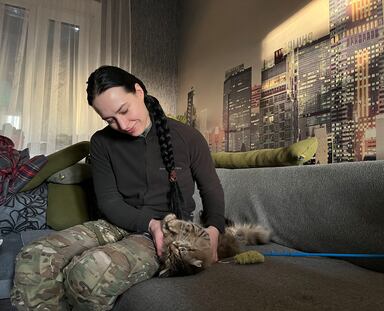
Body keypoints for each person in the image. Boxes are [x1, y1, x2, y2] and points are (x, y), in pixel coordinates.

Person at [11, 65, 225, 311]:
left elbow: (211, 190)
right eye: (110, 119)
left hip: (168, 232)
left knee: (89, 273)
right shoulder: (101, 142)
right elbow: (109, 202)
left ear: (138, 91)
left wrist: (214, 229)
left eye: (124, 110)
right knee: (35, 256)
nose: (122, 124)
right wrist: (149, 223)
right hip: (115, 223)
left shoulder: (188, 137)